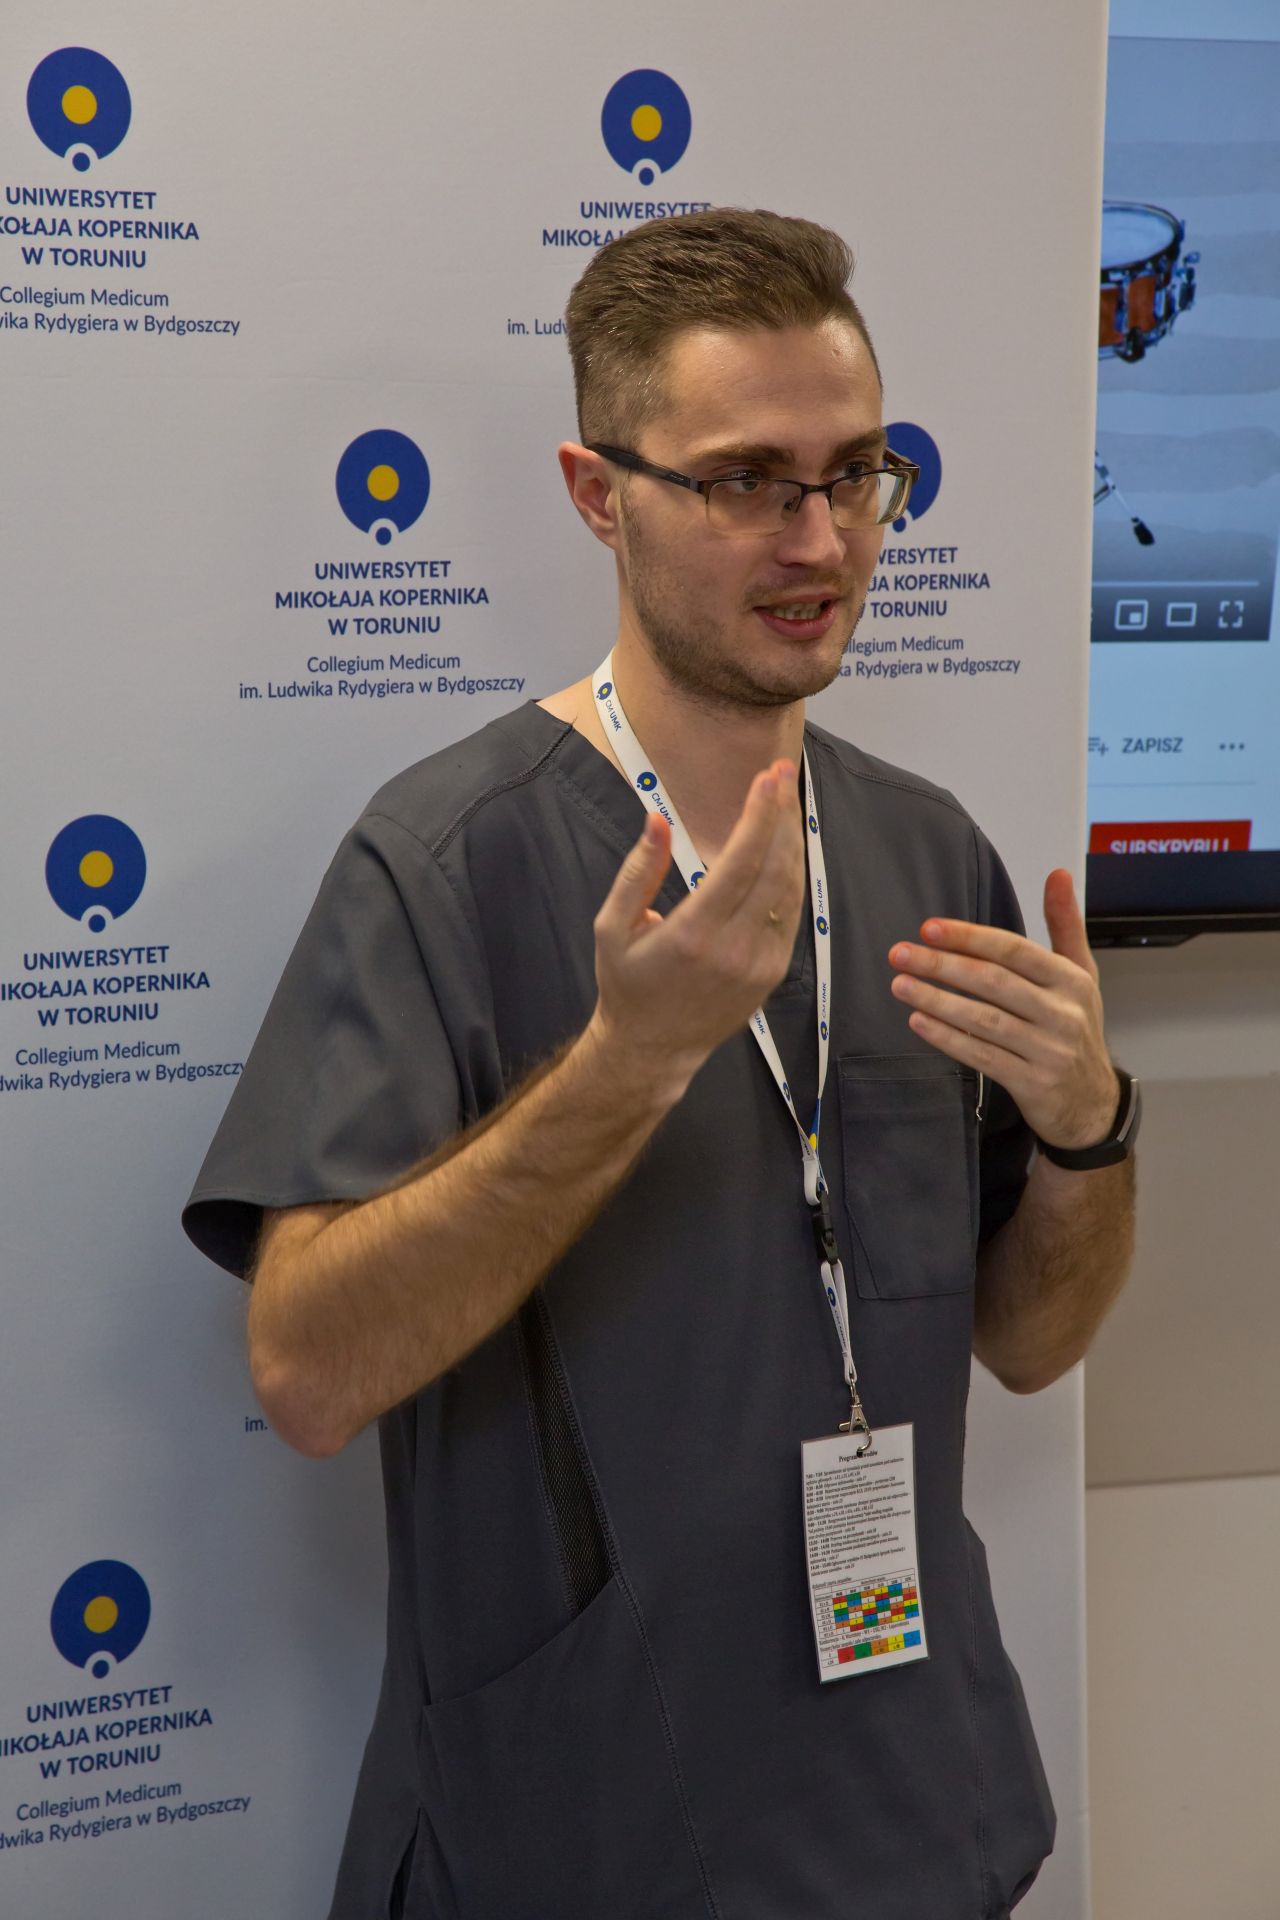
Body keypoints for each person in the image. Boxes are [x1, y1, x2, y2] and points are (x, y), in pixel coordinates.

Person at [183, 208, 1137, 1920]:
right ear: (597, 492)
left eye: (856, 474)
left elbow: (1029, 1337)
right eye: (746, 481)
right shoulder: (447, 863)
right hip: (585, 1835)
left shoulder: (927, 854)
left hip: (918, 1821)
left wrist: (1090, 1134)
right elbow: (309, 1375)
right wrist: (628, 1063)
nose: (820, 538)